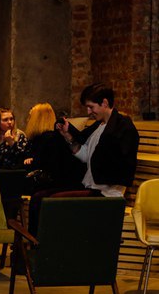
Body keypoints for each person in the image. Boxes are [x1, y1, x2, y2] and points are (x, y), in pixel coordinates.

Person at [29, 83, 140, 233]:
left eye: (91, 107)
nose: (88, 112)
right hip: (90, 186)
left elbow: (120, 163)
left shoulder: (123, 127)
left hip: (105, 192)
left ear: (105, 103)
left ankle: (46, 243)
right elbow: (87, 155)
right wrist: (69, 138)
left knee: (49, 203)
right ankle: (35, 242)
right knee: (38, 197)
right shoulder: (100, 125)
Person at [22, 102, 85, 195]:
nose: (28, 120)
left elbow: (48, 167)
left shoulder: (48, 139)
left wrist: (33, 161)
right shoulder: (44, 137)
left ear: (37, 119)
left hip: (58, 184)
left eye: (30, 117)